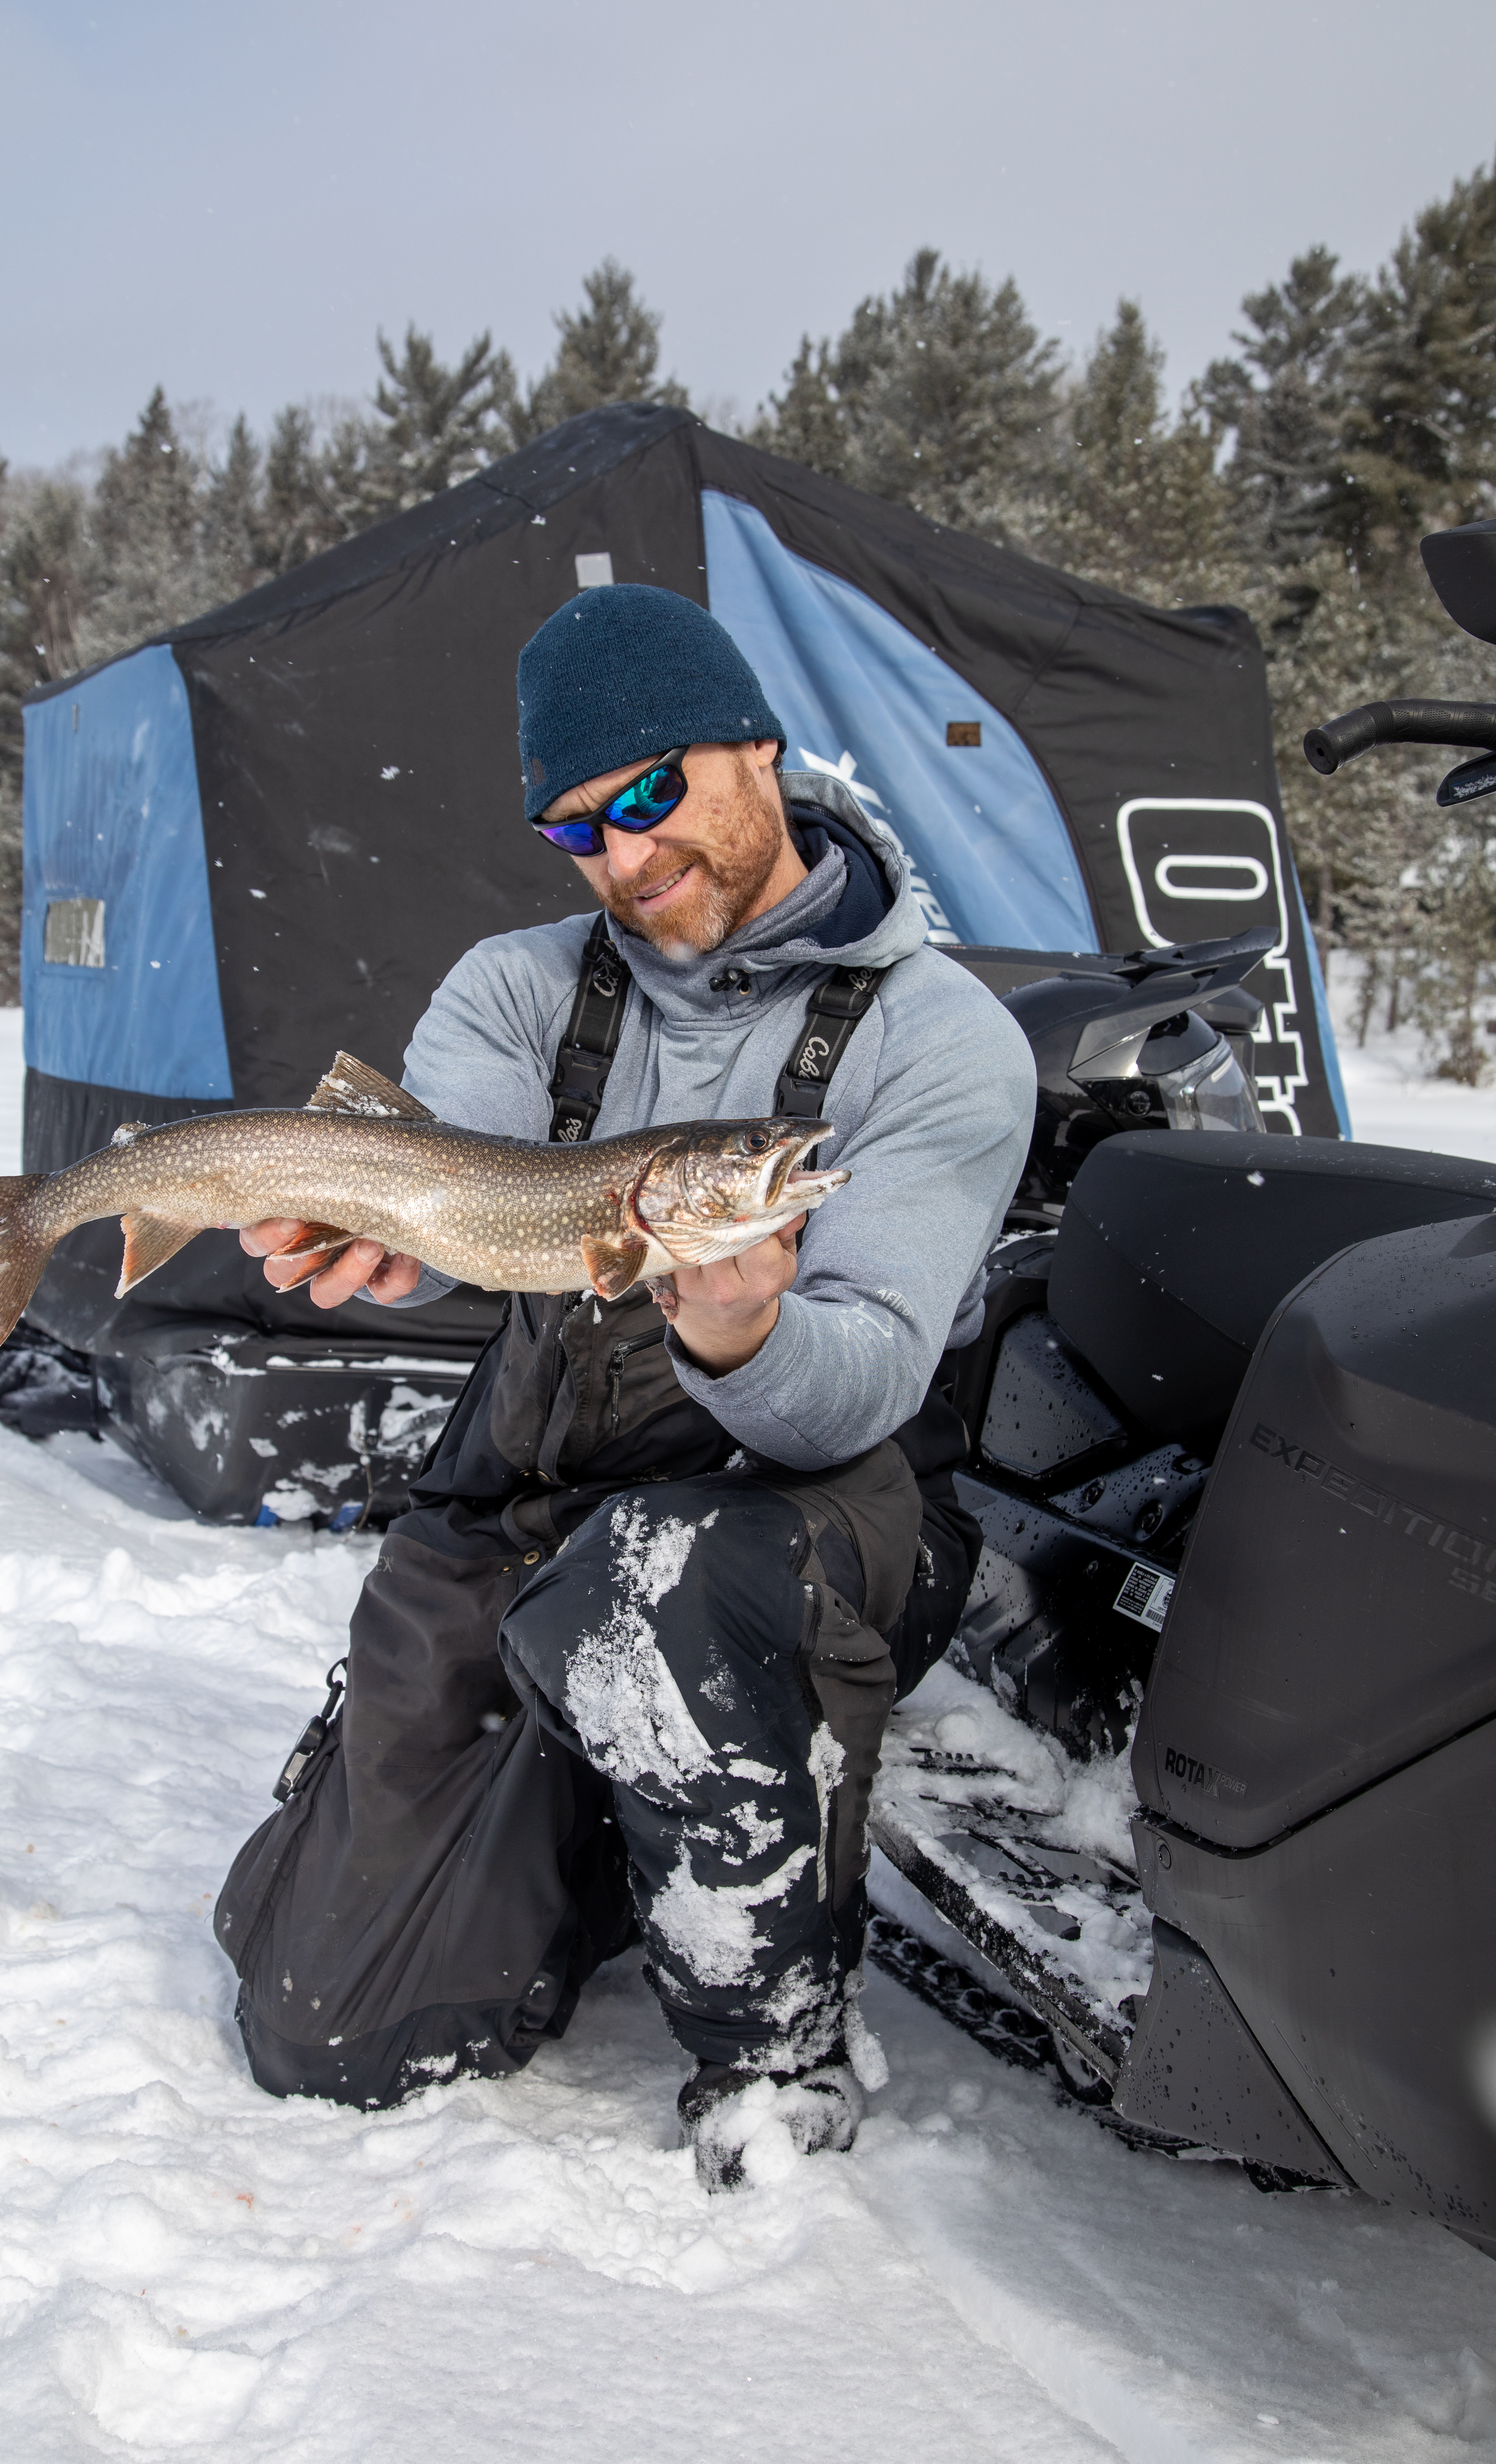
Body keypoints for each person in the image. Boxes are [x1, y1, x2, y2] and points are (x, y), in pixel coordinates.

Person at [220, 582, 1035, 2190]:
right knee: (333, 2032)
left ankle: (772, 2048)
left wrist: (735, 1334)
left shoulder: (938, 1042)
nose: (624, 855)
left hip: (802, 1522)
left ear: (757, 748)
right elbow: (445, 1166)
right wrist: (386, 1230)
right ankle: (588, 1800)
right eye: (576, 829)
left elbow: (855, 1383)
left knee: (658, 1582)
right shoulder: (524, 987)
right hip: (534, 1499)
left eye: (653, 794)